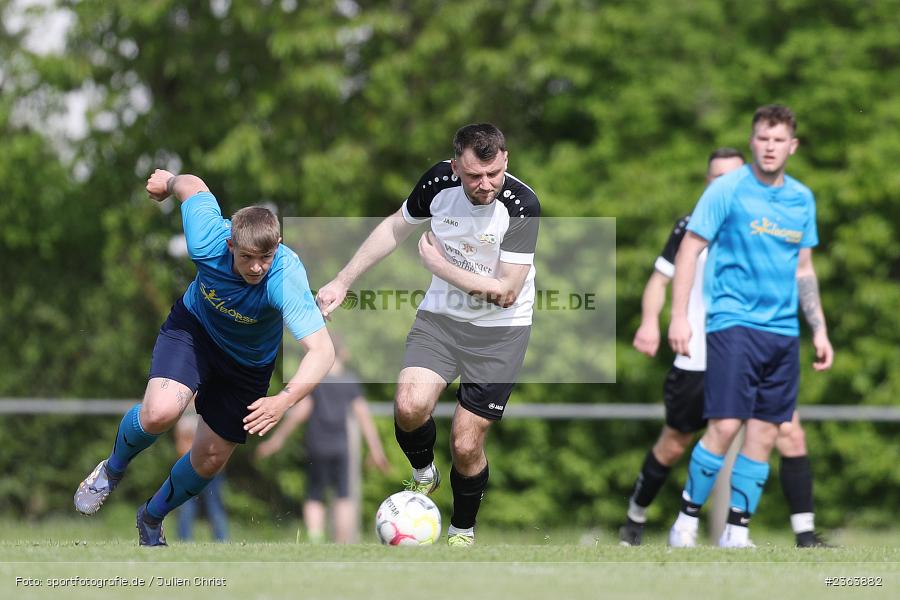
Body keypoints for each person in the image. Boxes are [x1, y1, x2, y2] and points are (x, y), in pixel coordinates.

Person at [74, 169, 334, 546]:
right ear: (230, 244)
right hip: (194, 332)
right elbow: (193, 186)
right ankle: (111, 471)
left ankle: (151, 517)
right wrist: (169, 182)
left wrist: (285, 399)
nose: (257, 267)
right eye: (247, 257)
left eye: (266, 256)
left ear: (278, 245)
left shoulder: (284, 276)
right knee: (160, 412)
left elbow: (322, 351)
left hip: (247, 366)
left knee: (210, 459)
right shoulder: (207, 239)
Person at [316, 123, 540, 547]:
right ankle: (423, 473)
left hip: (500, 333)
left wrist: (440, 268)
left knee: (466, 442)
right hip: (441, 320)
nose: (485, 184)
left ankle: (462, 530)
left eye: (493, 173)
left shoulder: (522, 204)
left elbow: (506, 293)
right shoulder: (438, 182)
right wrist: (343, 281)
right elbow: (393, 229)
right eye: (474, 175)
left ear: (505, 160)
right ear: (456, 167)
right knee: (409, 405)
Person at [619, 148, 829, 548]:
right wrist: (652, 322)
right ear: (707, 182)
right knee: (675, 442)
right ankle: (637, 518)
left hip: (749, 344)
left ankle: (802, 536)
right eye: (717, 177)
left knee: (787, 433)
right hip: (698, 354)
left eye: (731, 176)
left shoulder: (760, 220)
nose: (725, 185)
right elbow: (659, 280)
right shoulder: (690, 227)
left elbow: (800, 265)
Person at [255, 344, 391, 543]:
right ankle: (343, 541)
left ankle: (316, 537)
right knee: (344, 496)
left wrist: (277, 440)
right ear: (344, 353)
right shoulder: (350, 380)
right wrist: (376, 449)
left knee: (315, 494)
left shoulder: (316, 380)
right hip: (342, 446)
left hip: (317, 444)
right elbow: (363, 415)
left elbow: (302, 411)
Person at [174, 409, 229, 542]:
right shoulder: (189, 411)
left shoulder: (187, 412)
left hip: (202, 466)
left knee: (212, 505)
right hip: (196, 465)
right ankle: (186, 539)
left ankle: (220, 540)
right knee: (195, 505)